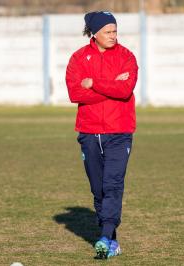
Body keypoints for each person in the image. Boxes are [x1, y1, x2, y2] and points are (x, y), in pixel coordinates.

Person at [65, 11, 138, 259]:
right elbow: (75, 94)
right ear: (94, 33)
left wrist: (94, 83)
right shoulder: (78, 58)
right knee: (98, 190)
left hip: (120, 131)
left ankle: (105, 236)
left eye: (115, 31)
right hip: (88, 132)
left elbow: (125, 89)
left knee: (113, 185)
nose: (113, 36)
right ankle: (112, 241)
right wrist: (110, 85)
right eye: (108, 32)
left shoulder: (127, 57)